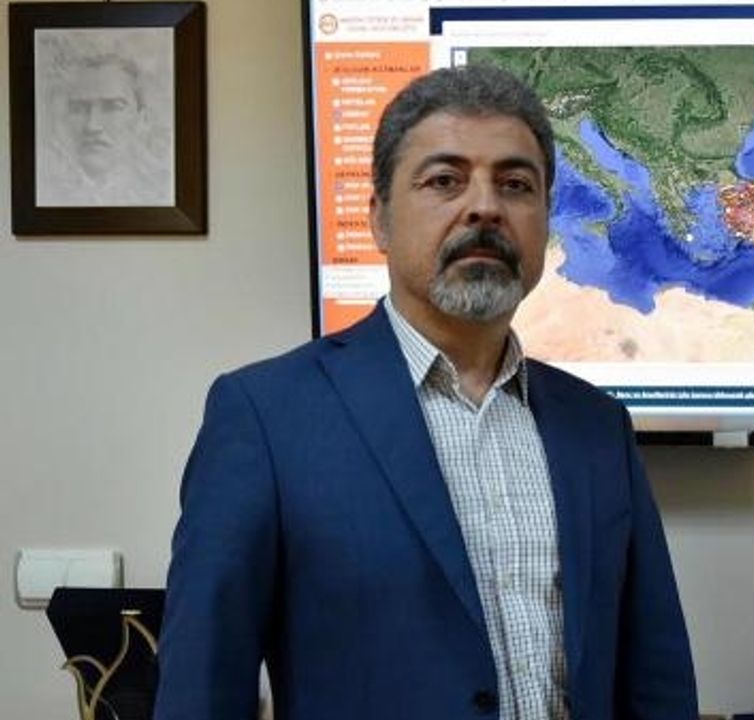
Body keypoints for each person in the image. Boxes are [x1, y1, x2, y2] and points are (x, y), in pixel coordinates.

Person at [153, 64, 698, 719]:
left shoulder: (596, 424)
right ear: (379, 219)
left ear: (545, 220)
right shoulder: (266, 417)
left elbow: (656, 679)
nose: (485, 207)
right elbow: (201, 688)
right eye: (444, 180)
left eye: (515, 184)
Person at [38, 51, 172, 207]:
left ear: (142, 118)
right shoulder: (45, 189)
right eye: (78, 109)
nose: (91, 126)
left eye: (112, 107)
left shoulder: (163, 190)